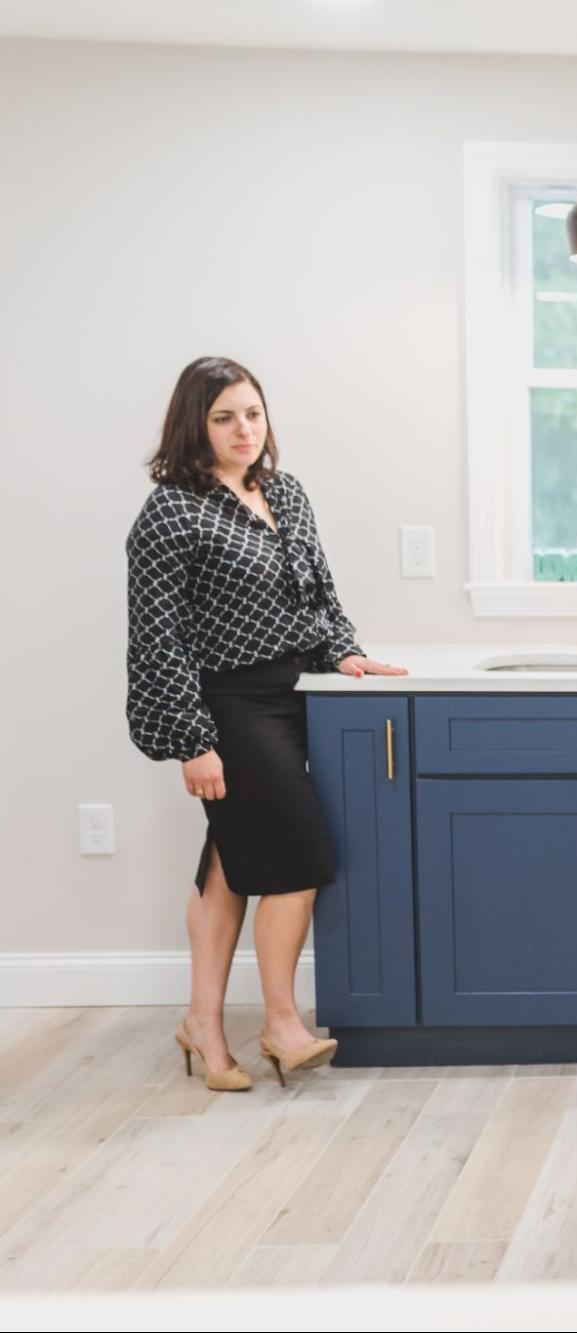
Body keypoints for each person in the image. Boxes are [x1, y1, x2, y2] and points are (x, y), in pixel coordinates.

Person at [125, 356, 405, 1092]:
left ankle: (202, 1025)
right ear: (196, 424)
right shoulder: (172, 510)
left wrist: (345, 650)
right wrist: (192, 739)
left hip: (292, 699)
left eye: (252, 412)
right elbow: (159, 635)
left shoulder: (283, 491)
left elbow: (319, 593)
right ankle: (281, 1022)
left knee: (229, 868)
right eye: (224, 417)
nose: (243, 429)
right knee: (298, 863)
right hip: (226, 706)